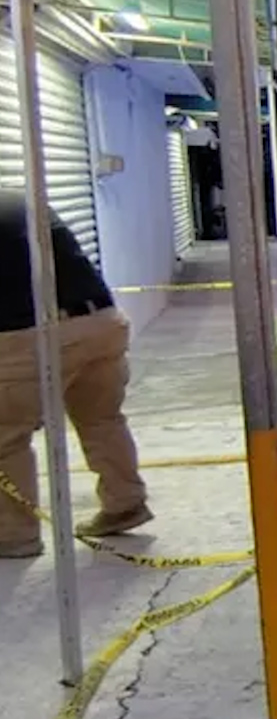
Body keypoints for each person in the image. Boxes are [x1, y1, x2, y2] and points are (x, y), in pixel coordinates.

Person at [0, 188, 151, 559]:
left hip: (29, 335)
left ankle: (16, 536)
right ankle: (125, 503)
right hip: (101, 323)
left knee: (7, 439)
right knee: (101, 418)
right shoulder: (21, 200)